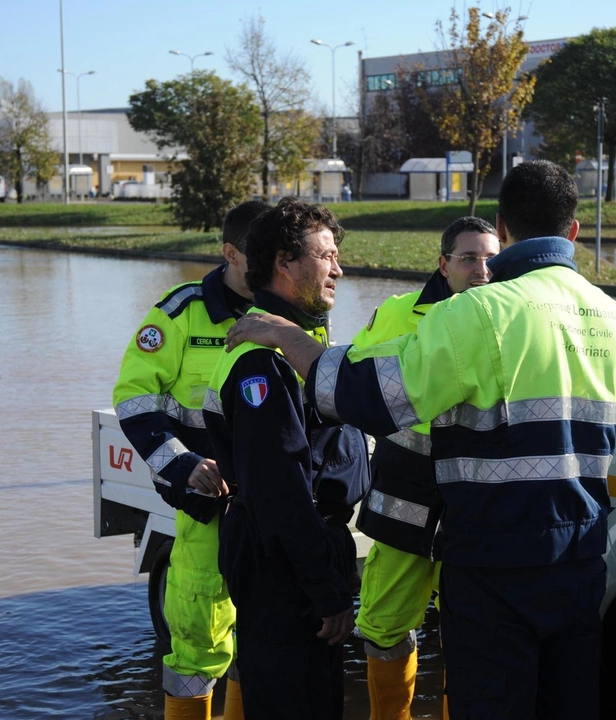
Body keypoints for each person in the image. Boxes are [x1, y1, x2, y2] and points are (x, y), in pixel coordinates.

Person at [226, 161, 616, 719]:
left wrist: (288, 337)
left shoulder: (480, 312)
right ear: (573, 230)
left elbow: (366, 396)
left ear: (503, 229)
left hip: (493, 564)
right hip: (583, 559)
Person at [203, 197, 371, 720]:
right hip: (286, 572)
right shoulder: (262, 361)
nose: (338, 269)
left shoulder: (295, 344)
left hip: (302, 559)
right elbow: (281, 493)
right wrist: (326, 592)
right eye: (325, 255)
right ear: (283, 261)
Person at [112, 199, 270, 720]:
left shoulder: (292, 312)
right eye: (261, 253)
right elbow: (135, 400)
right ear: (230, 253)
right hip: (209, 505)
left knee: (261, 640)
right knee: (197, 644)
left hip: (272, 506)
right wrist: (181, 466)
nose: (274, 264)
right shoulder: (179, 313)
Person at [351, 216, 499, 720]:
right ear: (443, 264)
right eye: (469, 259)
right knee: (385, 626)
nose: (483, 270)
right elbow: (356, 384)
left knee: (474, 631)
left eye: (491, 259)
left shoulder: (509, 316)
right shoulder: (396, 314)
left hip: (474, 508)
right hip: (404, 501)